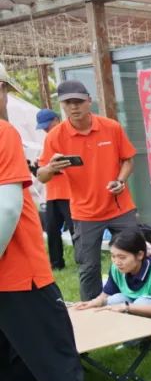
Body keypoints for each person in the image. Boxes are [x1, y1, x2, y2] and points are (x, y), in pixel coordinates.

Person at [0, 65, 151, 381]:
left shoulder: (109, 127)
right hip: (21, 278)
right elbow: (9, 208)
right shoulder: (4, 133)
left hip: (111, 210)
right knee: (59, 366)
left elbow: (127, 158)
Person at [35, 80, 139, 301]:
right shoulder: (55, 136)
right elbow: (42, 176)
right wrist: (51, 168)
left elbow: (128, 160)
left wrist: (120, 180)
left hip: (120, 208)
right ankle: (91, 309)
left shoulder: (111, 127)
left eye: (79, 101)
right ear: (62, 105)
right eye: (68, 102)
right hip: (85, 213)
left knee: (134, 259)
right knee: (88, 267)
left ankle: (138, 303)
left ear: (89, 101)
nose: (74, 107)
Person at [73, 229, 151, 353]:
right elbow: (106, 295)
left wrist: (126, 307)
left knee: (141, 303)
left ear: (140, 255)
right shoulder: (117, 269)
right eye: (113, 256)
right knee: (114, 301)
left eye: (122, 257)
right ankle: (135, 341)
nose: (117, 262)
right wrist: (92, 303)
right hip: (143, 306)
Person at [34, 108, 72, 271]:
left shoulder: (68, 136)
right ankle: (56, 264)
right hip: (52, 193)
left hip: (69, 192)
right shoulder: (48, 141)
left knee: (75, 229)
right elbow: (43, 167)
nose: (46, 129)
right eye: (43, 127)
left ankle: (84, 261)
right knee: (51, 229)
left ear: (57, 120)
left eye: (47, 125)